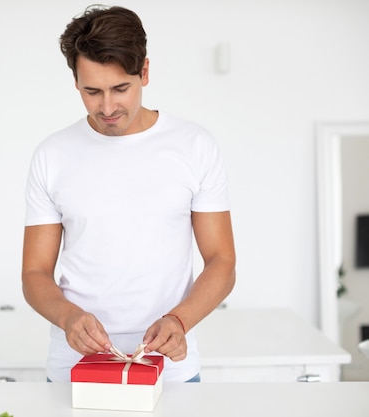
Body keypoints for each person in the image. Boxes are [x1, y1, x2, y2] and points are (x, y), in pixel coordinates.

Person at [22, 5, 236, 383]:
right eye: (92, 91)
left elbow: (221, 261)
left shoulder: (194, 146)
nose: (107, 107)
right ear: (75, 82)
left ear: (145, 73)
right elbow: (35, 273)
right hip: (74, 370)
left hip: (169, 372)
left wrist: (179, 320)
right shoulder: (52, 155)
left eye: (120, 88)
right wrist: (68, 317)